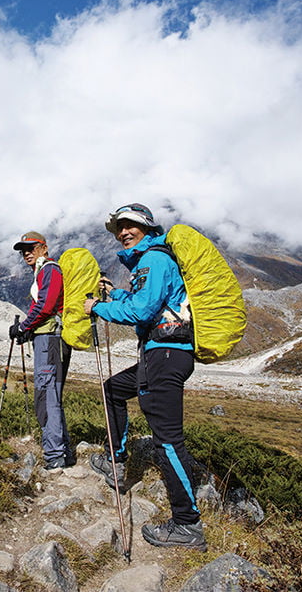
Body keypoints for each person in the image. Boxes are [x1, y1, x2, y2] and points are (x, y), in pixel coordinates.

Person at [84, 203, 207, 552]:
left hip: (164, 356)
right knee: (113, 389)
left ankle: (187, 525)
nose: (123, 232)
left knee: (167, 440)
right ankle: (116, 459)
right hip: (163, 355)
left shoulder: (153, 259)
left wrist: (98, 308)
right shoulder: (151, 261)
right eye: (119, 227)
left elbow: (141, 311)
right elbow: (147, 302)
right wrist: (115, 295)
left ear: (147, 227)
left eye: (130, 225)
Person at [10, 231, 74, 470]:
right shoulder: (43, 271)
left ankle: (54, 456)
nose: (26, 252)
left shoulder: (49, 269)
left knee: (46, 395)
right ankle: (62, 452)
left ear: (44, 248)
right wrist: (28, 331)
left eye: (31, 247)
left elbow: (46, 307)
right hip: (49, 339)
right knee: (52, 395)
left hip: (50, 341)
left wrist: (23, 327)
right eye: (23, 250)